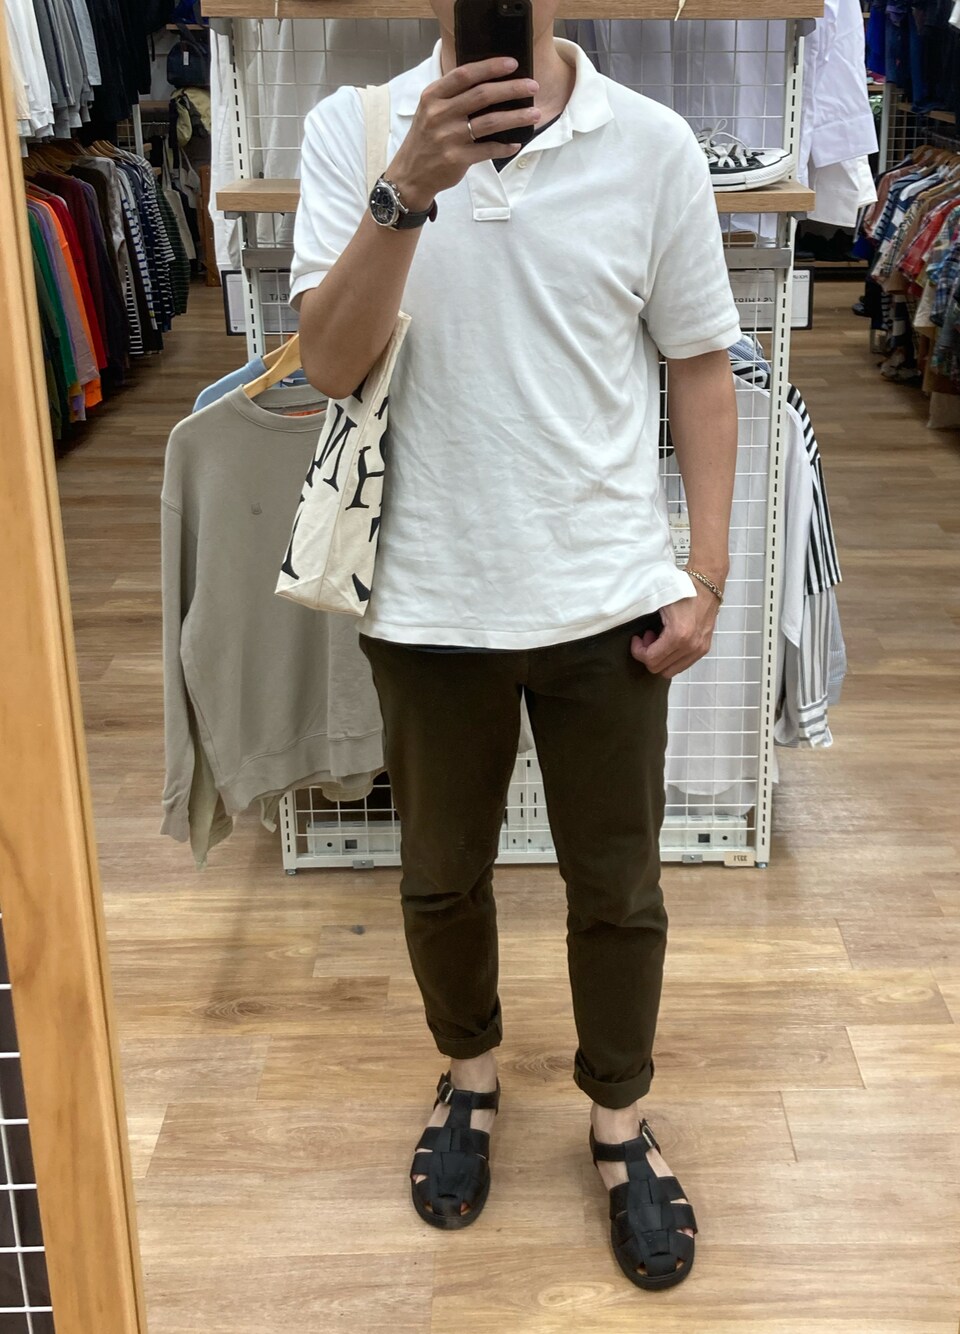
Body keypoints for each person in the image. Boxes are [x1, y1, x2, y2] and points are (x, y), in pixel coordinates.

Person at [290, 0, 740, 1292]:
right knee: (440, 876)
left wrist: (707, 572)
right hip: (426, 597)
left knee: (620, 888)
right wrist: (405, 192)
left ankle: (618, 1119)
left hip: (607, 597)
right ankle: (471, 1076)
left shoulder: (651, 144)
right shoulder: (354, 132)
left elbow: (700, 364)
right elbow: (328, 365)